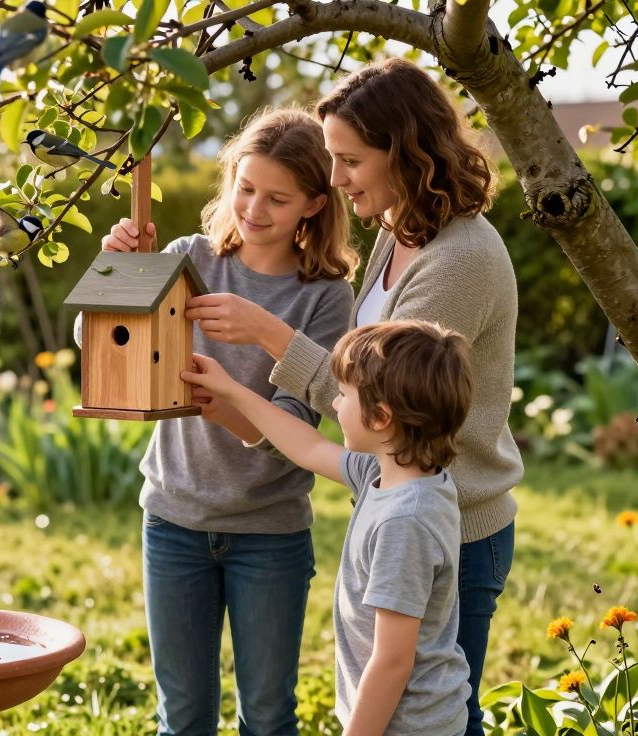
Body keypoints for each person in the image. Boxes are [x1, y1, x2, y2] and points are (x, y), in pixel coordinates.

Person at [183, 59, 521, 733]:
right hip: (391, 495)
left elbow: (381, 385)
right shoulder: (403, 228)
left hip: (457, 526)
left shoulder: (459, 261)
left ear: (407, 152)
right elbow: (323, 432)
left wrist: (271, 336)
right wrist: (233, 394)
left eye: (350, 160)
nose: (335, 179)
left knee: (438, 710)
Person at [91, 107, 357, 735]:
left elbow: (299, 422)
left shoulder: (324, 295)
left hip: (269, 532)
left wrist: (229, 404)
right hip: (175, 521)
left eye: (277, 197)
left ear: (314, 205)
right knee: (182, 717)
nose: (254, 208)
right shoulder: (190, 259)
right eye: (245, 186)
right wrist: (117, 271)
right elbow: (98, 339)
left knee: (267, 716)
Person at [182, 319, 474, 736]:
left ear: (381, 417)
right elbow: (310, 447)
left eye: (342, 395)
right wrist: (232, 391)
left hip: (406, 726)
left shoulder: (405, 521)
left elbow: (392, 661)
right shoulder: (389, 473)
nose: (334, 406)